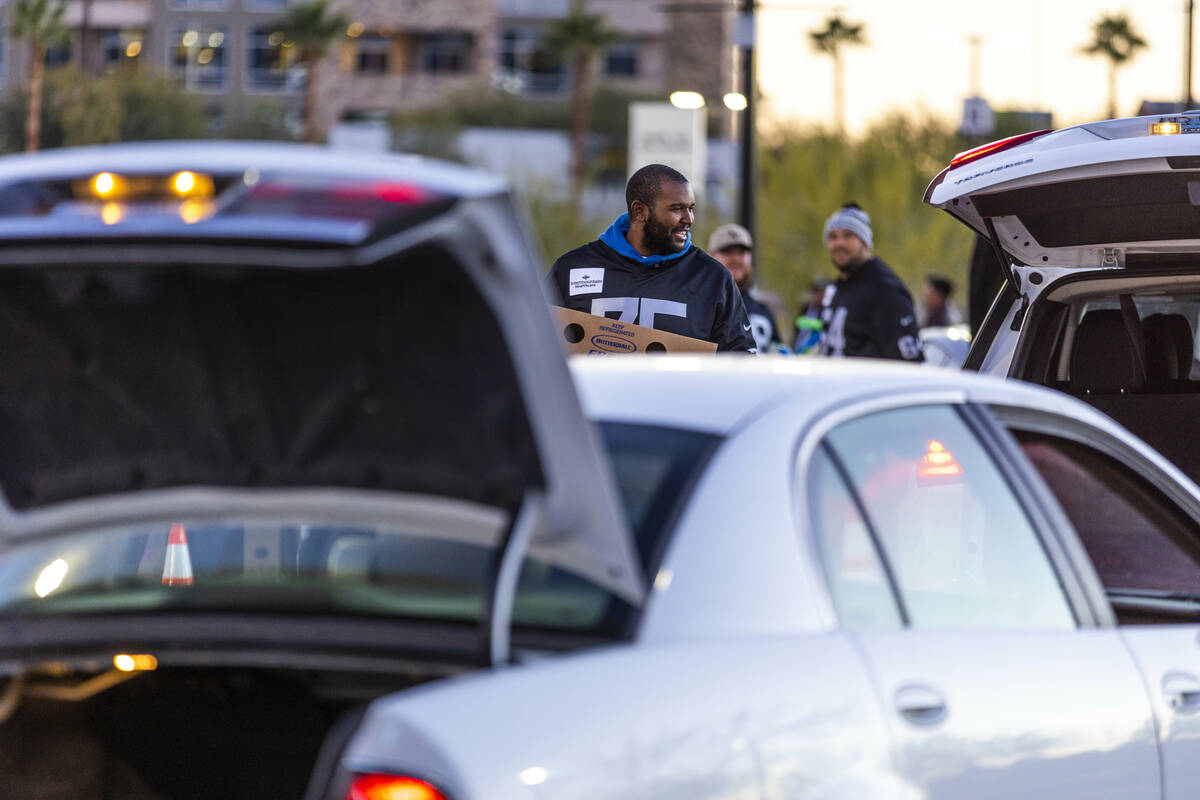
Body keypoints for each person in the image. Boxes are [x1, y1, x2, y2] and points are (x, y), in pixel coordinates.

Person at [547, 164, 756, 352]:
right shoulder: (573, 268)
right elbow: (533, 343)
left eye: (691, 208)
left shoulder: (712, 277)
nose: (689, 219)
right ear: (639, 211)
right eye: (677, 209)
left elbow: (740, 357)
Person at [818, 203, 923, 361]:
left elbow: (909, 362)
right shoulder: (839, 285)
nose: (839, 243)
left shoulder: (885, 289)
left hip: (868, 385)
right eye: (833, 237)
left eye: (848, 235)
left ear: (865, 242)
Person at [707, 223, 782, 352]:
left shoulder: (763, 310)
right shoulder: (699, 305)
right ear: (711, 256)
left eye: (741, 252)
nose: (736, 259)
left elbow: (779, 356)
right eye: (727, 252)